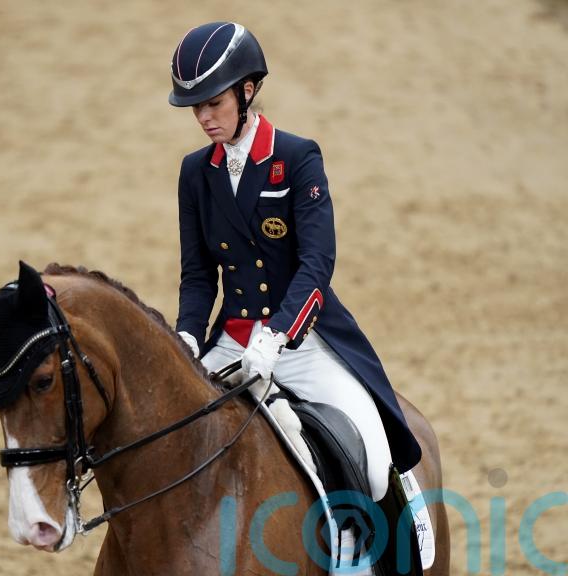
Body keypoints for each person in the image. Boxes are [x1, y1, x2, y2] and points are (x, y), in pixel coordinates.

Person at [169, 21, 423, 572]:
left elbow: (316, 264)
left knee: (376, 458)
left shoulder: (298, 157)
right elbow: (197, 276)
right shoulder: (195, 174)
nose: (205, 118)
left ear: (247, 91)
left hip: (300, 340)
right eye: (195, 109)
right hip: (230, 342)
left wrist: (278, 335)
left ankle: (394, 563)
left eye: (213, 103)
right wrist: (187, 335)